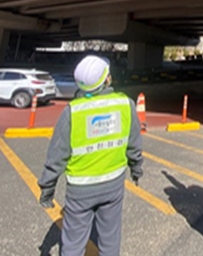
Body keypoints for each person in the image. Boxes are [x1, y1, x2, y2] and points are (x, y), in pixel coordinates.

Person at [38, 55, 143, 256]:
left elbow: (56, 155)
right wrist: (136, 169)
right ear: (107, 79)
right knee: (110, 240)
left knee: (73, 244)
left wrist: (47, 188)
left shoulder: (73, 112)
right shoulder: (125, 104)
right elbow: (134, 144)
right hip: (113, 183)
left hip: (80, 189)